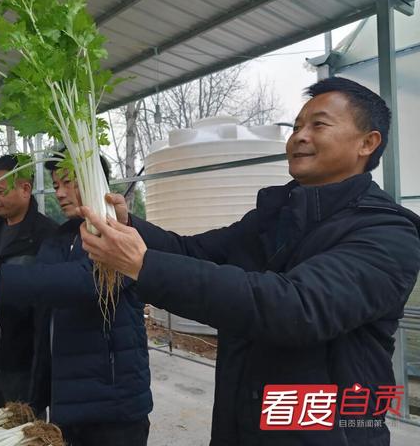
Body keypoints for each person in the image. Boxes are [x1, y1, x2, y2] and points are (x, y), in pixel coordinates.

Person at [78, 77, 420, 445]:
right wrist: (128, 225)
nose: (299, 136)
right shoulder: (274, 215)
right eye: (296, 126)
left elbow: (294, 307)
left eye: (318, 125)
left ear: (367, 143)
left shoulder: (387, 232)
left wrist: (142, 265)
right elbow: (193, 252)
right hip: (243, 416)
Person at [0, 154, 153, 446]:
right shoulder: (59, 237)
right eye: (56, 184)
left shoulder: (122, 234)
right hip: (66, 398)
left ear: (97, 183)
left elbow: (83, 281)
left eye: (68, 183)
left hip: (113, 402)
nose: (60, 192)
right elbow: (42, 289)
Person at [0, 154, 58, 412]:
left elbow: (49, 297)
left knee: (23, 430)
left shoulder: (47, 236)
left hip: (23, 360)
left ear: (25, 189)